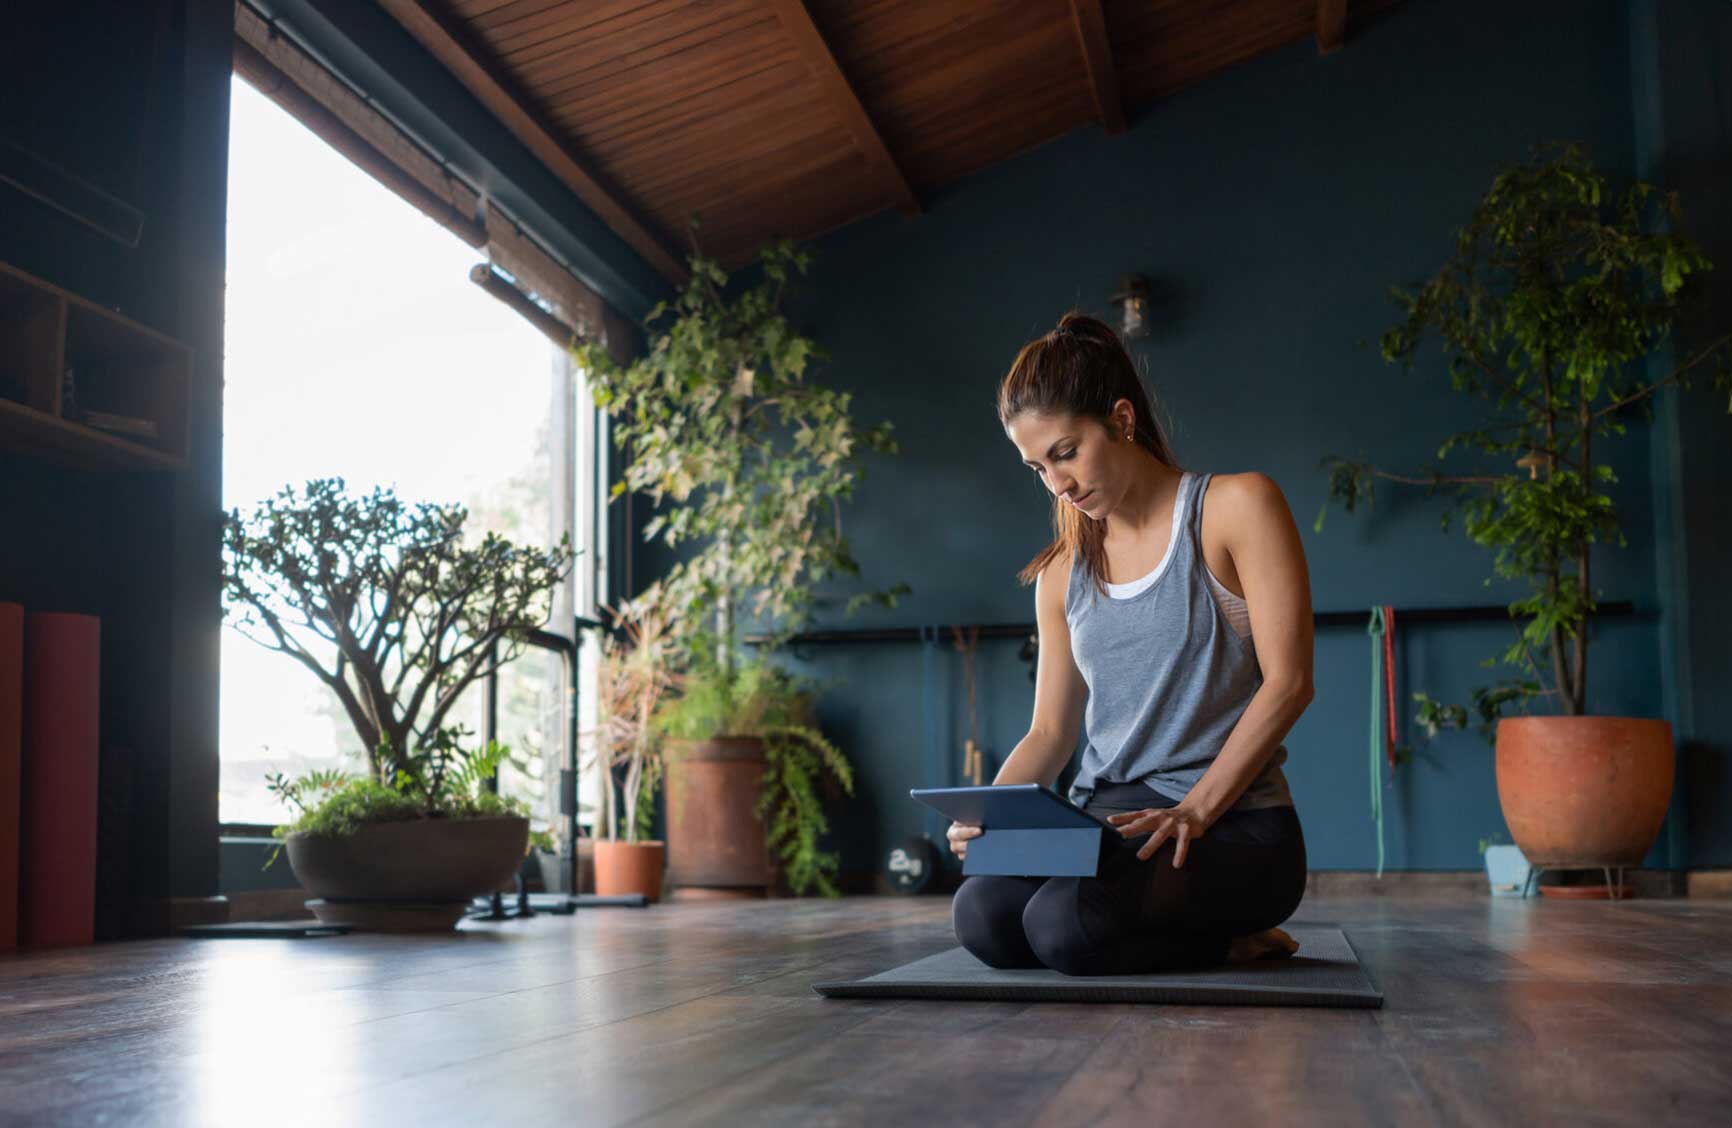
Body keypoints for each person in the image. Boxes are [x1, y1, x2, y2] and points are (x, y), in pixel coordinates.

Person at [948, 311, 1313, 976]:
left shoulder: (1236, 508)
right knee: (981, 917)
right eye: (1036, 467)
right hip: (1105, 824)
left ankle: (1237, 936)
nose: (1056, 483)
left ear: (1119, 420)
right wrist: (987, 814)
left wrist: (1195, 809)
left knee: (1062, 929)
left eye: (1065, 453)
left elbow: (1290, 683)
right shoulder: (1061, 573)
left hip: (1231, 824)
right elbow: (1052, 731)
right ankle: (1204, 940)